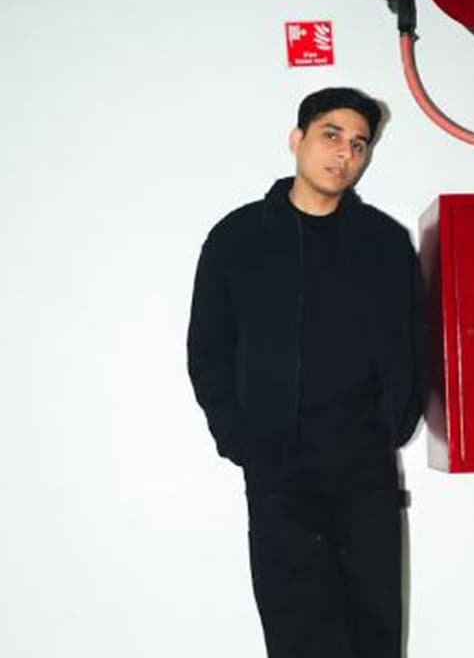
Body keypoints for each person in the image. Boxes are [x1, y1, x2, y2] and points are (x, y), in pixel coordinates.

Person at [187, 87, 428, 658]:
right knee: (298, 633)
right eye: (331, 135)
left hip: (364, 465)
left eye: (359, 144)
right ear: (297, 140)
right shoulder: (237, 240)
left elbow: (416, 344)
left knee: (374, 630)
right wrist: (241, 440)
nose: (344, 153)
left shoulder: (385, 244)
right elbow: (208, 351)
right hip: (281, 467)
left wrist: (393, 423)